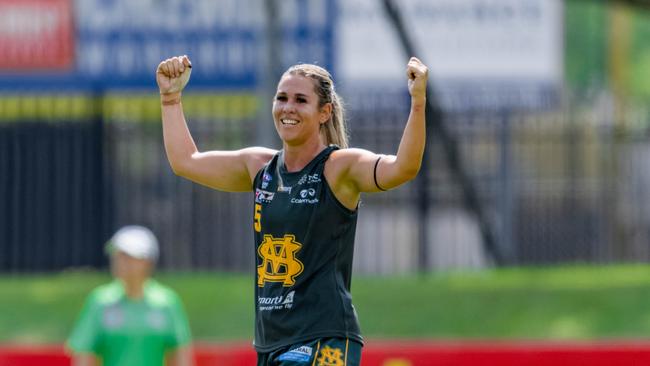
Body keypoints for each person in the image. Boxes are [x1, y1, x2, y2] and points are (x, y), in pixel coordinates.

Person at [157, 54, 428, 365]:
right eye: (281, 97)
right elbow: (185, 162)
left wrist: (418, 102)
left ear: (324, 112)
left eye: (301, 100)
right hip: (271, 342)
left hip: (323, 338)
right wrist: (170, 97)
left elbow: (403, 168)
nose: (288, 107)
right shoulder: (259, 166)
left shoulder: (338, 167)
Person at [66, 225, 194, 366]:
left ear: (148, 261)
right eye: (117, 256)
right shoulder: (100, 301)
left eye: (128, 256)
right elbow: (85, 355)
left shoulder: (167, 302)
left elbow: (179, 355)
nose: (120, 262)